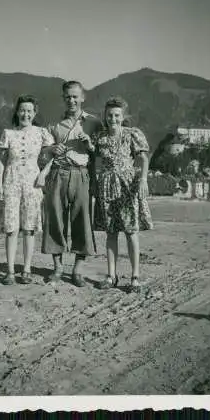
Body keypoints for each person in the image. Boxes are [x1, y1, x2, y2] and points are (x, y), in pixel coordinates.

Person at [41, 80, 102, 287]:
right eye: (68, 96)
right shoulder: (53, 125)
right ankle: (57, 268)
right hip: (57, 174)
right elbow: (43, 153)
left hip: (82, 175)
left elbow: (102, 155)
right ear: (63, 98)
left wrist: (91, 146)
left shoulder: (94, 123)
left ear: (83, 97)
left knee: (82, 221)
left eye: (75, 96)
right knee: (55, 220)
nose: (72, 100)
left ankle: (78, 270)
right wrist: (51, 150)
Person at [92, 97, 153, 293]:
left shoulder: (132, 134)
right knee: (110, 233)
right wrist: (95, 182)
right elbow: (94, 161)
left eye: (117, 115)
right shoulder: (100, 137)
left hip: (128, 186)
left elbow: (143, 158)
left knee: (131, 232)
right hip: (107, 186)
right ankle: (111, 275)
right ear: (105, 116)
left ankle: (135, 276)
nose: (113, 119)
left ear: (123, 116)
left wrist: (143, 180)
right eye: (109, 115)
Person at [0, 95, 54, 285]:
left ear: (34, 113)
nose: (25, 114)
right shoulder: (8, 133)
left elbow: (54, 154)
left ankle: (27, 270)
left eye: (29, 111)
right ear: (17, 112)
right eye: (22, 110)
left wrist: (44, 173)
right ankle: (10, 271)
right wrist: (0, 186)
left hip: (32, 184)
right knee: (11, 229)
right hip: (11, 182)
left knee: (29, 229)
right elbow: (2, 161)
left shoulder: (41, 133)